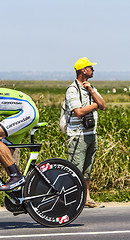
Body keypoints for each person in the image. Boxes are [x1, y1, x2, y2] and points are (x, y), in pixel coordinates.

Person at [65, 57, 106, 208]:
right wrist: (95, 105)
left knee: (87, 169)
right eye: (91, 68)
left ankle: (86, 198)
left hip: (91, 134)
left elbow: (103, 105)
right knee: (75, 167)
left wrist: (91, 91)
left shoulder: (91, 88)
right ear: (83, 70)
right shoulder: (72, 90)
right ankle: (73, 198)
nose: (93, 70)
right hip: (78, 135)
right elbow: (79, 112)